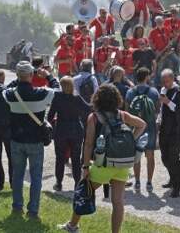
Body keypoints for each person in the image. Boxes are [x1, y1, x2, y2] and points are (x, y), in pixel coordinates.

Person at [58, 85, 146, 233]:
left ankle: (72, 226)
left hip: (102, 164)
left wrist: (85, 166)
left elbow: (88, 144)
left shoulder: (94, 117)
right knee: (118, 202)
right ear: (116, 99)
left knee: (83, 193)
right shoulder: (122, 115)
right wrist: (131, 140)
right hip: (122, 164)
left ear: (97, 98)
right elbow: (142, 124)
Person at [3, 61, 58, 220]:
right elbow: (58, 89)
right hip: (35, 140)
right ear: (32, 75)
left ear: (17, 75)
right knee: (36, 177)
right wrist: (48, 76)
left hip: (16, 139)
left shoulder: (10, 94)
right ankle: (33, 210)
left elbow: (6, 88)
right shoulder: (41, 93)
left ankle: (17, 206)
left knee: (17, 175)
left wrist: (19, 78)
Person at [48, 76, 91, 191]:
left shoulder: (57, 97)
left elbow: (50, 116)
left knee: (60, 158)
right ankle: (77, 182)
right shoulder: (77, 98)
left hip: (61, 129)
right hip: (76, 129)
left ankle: (59, 183)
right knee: (76, 158)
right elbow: (89, 109)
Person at [125, 68, 160, 192]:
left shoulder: (130, 92)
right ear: (146, 77)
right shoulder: (153, 92)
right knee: (150, 155)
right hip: (149, 126)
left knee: (136, 156)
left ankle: (138, 181)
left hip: (135, 127)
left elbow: (127, 111)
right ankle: (149, 182)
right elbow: (157, 110)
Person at [159, 69, 180, 197]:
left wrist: (168, 102)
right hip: (164, 130)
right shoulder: (163, 90)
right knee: (164, 157)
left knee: (173, 158)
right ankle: (172, 178)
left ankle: (177, 185)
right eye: (164, 81)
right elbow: (161, 109)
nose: (165, 83)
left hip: (175, 131)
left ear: (173, 79)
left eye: (167, 81)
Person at [148, 16, 174, 83]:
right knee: (159, 68)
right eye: (158, 22)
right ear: (156, 22)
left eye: (161, 21)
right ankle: (158, 82)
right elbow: (150, 42)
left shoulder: (166, 29)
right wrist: (155, 50)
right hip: (159, 52)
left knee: (176, 61)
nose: (160, 23)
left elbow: (170, 38)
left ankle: (174, 77)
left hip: (167, 51)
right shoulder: (153, 31)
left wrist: (169, 44)